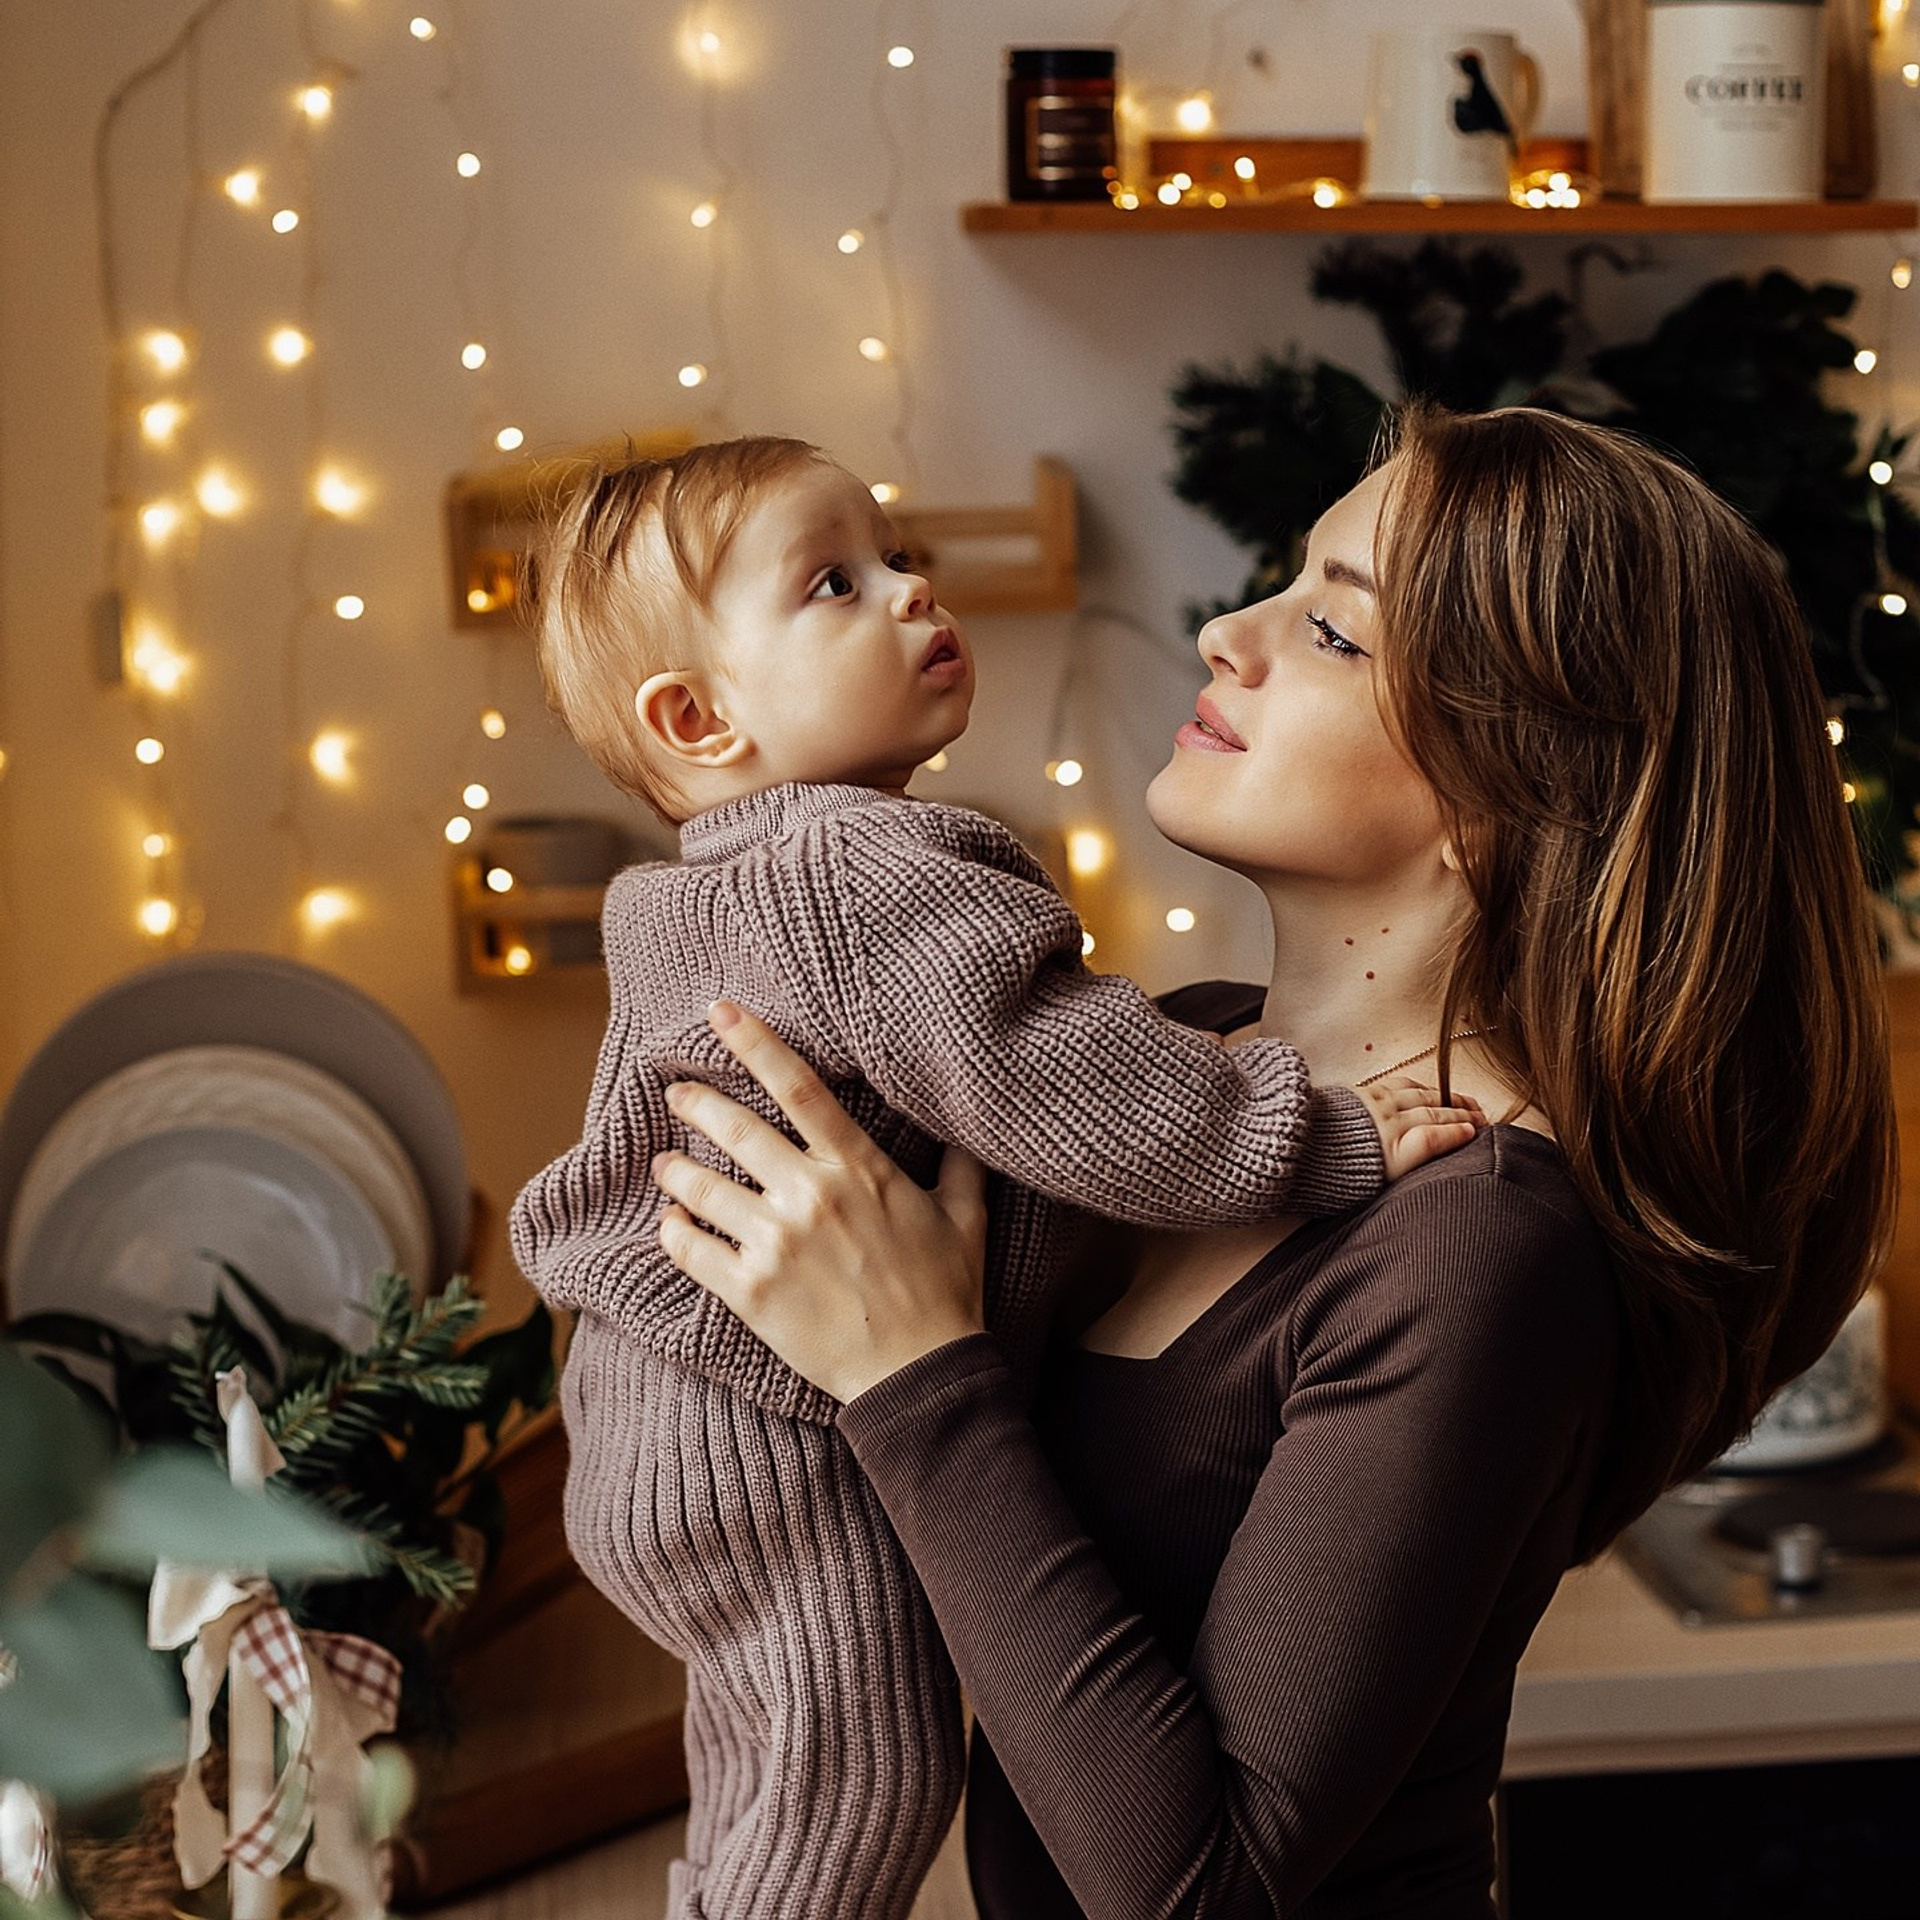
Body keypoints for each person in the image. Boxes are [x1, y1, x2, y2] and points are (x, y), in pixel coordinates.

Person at [649, 403, 1899, 1918]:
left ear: (1519, 802)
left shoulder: (1479, 1242)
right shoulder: (1170, 1081)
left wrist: (914, 1378)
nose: (1227, 634)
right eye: (1281, 584)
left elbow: (1198, 1890)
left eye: (1335, 634)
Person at [506, 435, 1482, 1920]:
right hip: (754, 1409)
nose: (908, 592)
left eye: (899, 556)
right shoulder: (867, 876)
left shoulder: (753, 879)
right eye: (837, 583)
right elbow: (1080, 1092)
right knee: (859, 1770)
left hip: (677, 1407)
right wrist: (1328, 1134)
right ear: (698, 718)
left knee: (779, 1752)